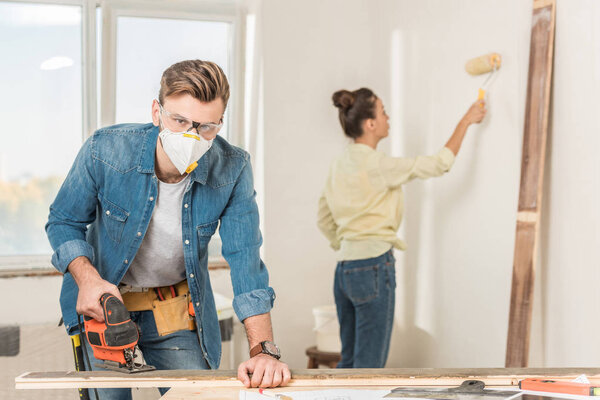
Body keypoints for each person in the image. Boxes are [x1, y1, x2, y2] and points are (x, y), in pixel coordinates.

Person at [46, 60, 290, 399]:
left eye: (206, 127)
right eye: (180, 121)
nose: (192, 136)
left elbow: (246, 260)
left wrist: (263, 350)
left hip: (173, 309)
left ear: (220, 122)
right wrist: (87, 280)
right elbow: (63, 221)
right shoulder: (106, 150)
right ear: (156, 112)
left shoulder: (232, 168)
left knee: (197, 397)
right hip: (105, 311)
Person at [317, 87, 486, 368]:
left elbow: (323, 218)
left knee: (347, 364)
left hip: (344, 269)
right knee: (369, 369)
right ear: (370, 124)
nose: (388, 117)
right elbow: (439, 164)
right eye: (383, 111)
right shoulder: (379, 164)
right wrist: (466, 120)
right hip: (373, 266)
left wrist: (347, 244)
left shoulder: (338, 164)